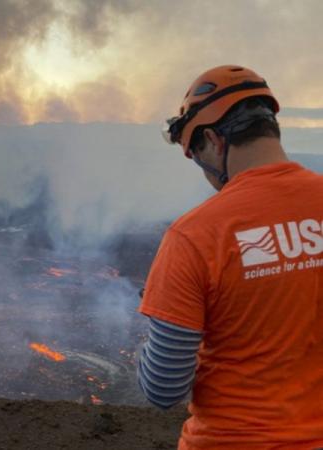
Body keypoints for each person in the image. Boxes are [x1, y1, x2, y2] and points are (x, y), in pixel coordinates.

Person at [137, 65, 323, 449]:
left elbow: (163, 389)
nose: (202, 171)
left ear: (213, 140)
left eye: (196, 154)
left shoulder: (193, 236)